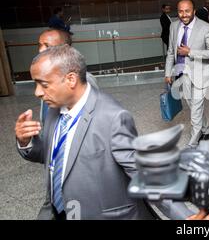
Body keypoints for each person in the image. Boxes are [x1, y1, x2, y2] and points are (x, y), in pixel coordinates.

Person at [15, 46, 192, 220]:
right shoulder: (53, 109)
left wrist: (187, 217)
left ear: (70, 79)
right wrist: (26, 142)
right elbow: (53, 156)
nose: (37, 92)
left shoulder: (112, 118)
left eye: (43, 84)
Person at [164, 0, 209, 147]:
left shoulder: (206, 28)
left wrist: (190, 52)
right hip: (183, 74)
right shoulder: (174, 26)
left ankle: (193, 144)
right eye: (181, 11)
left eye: (187, 11)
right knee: (194, 107)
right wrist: (168, 73)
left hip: (201, 74)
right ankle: (207, 130)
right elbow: (170, 52)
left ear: (194, 11)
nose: (184, 14)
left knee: (195, 113)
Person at [37, 29, 98, 124]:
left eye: (47, 46)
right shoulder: (46, 80)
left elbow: (91, 119)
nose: (41, 50)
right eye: (40, 45)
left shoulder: (84, 79)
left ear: (65, 48)